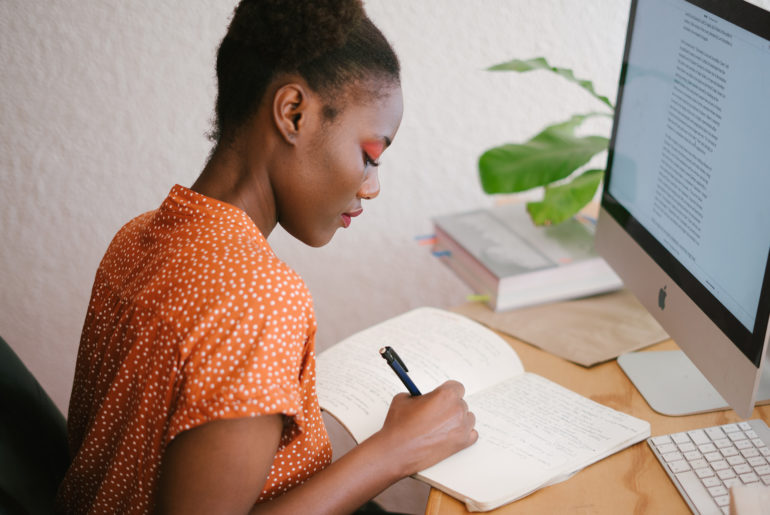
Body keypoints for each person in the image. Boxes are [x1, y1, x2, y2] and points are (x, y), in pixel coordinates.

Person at [55, 1, 478, 513]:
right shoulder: (260, 297)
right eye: (369, 156)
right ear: (293, 113)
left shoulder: (139, 236)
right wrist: (394, 452)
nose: (372, 187)